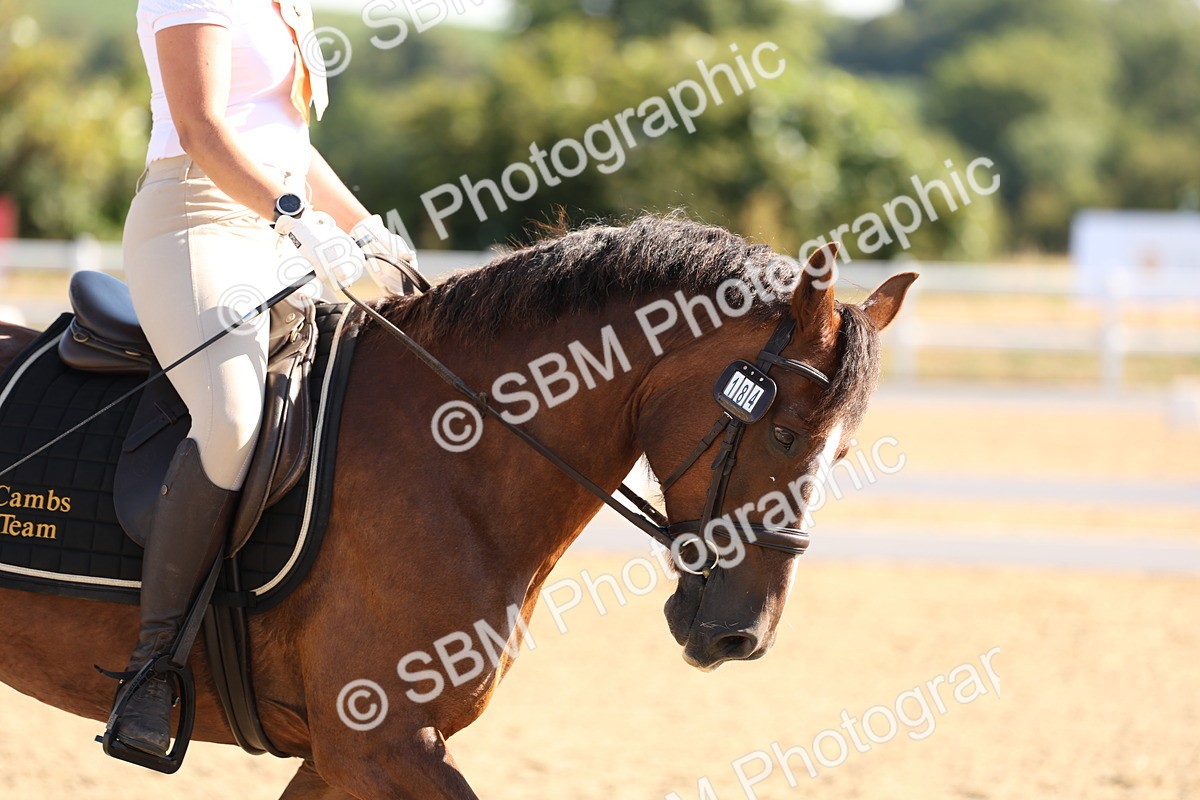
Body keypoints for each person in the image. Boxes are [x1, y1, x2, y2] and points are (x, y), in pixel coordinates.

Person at [111, 0, 421, 757]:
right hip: (196, 223)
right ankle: (152, 666)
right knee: (233, 416)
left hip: (272, 226)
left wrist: (367, 232)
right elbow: (202, 127)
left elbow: (287, 145)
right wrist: (294, 217)